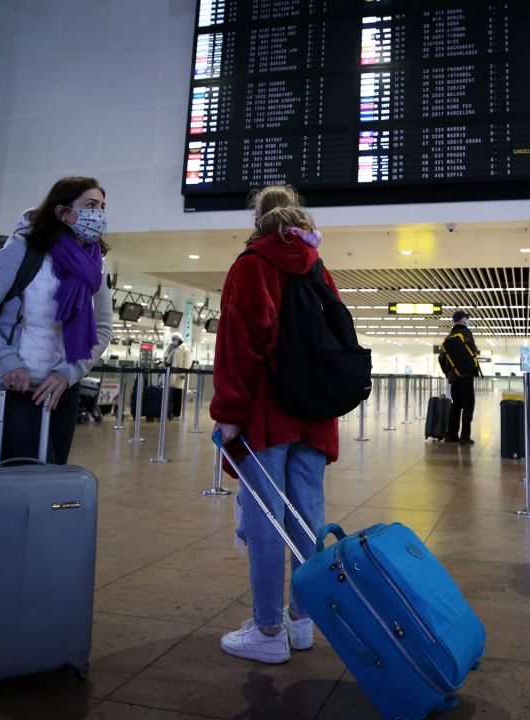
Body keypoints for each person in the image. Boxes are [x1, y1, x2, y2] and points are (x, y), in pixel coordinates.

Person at [210, 185, 339, 664]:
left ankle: (267, 630)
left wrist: (229, 410)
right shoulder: (319, 268)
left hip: (267, 411)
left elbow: (241, 343)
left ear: (257, 220)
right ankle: (300, 620)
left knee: (266, 517)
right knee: (307, 514)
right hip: (315, 412)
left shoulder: (252, 264)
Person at [0, 176, 112, 464]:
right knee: (25, 477)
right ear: (62, 212)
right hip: (12, 386)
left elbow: (102, 328)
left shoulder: (95, 265)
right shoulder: (21, 250)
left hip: (60, 388)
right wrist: (7, 360)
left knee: (51, 478)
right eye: (90, 205)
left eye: (102, 207)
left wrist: (70, 372)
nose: (99, 215)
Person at [443, 310, 481, 444]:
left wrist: (449, 373)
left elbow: (442, 358)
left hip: (454, 376)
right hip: (466, 374)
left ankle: (451, 435)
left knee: (456, 404)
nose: (467, 320)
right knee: (468, 404)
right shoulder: (465, 333)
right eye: (466, 318)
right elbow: (474, 350)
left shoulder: (449, 336)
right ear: (462, 320)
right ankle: (465, 436)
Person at [164, 334, 192, 418]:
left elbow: (187, 361)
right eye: (172, 339)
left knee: (177, 394)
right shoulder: (171, 347)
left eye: (175, 339)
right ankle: (169, 410)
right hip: (170, 372)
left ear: (179, 339)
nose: (173, 340)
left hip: (178, 375)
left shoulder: (185, 349)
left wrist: (183, 373)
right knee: (170, 393)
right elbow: (166, 356)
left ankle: (176, 413)